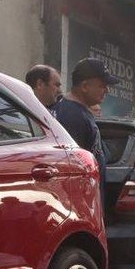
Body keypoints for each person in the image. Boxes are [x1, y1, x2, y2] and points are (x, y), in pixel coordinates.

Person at [51, 57, 118, 195]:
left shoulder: (73, 111)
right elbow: (72, 168)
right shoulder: (73, 116)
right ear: (85, 86)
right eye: (102, 86)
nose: (107, 90)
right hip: (80, 202)